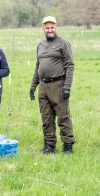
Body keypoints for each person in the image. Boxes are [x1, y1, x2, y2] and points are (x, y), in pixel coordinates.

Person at [29, 16, 75, 154]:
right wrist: (33, 86)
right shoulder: (40, 45)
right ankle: (49, 146)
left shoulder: (63, 44)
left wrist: (67, 87)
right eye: (47, 27)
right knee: (46, 118)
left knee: (63, 117)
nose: (50, 30)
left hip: (58, 85)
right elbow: (38, 66)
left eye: (52, 27)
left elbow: (70, 66)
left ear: (56, 28)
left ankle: (68, 145)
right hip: (43, 86)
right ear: (43, 28)